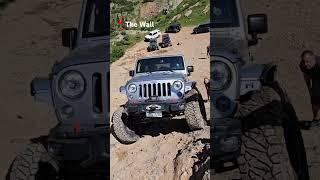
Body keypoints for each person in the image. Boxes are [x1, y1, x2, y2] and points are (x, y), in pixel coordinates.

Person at [299, 50, 320, 128]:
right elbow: (306, 77)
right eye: (304, 61)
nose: (305, 64)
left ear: (313, 58)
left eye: (307, 61)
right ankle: (315, 120)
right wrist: (309, 89)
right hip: (316, 79)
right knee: (315, 101)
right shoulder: (303, 65)